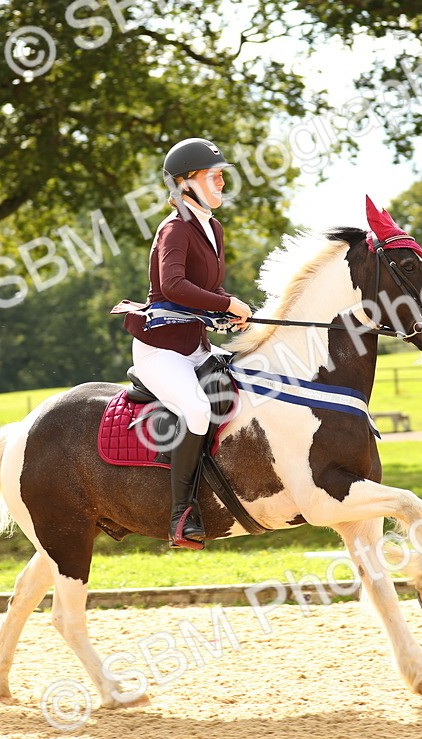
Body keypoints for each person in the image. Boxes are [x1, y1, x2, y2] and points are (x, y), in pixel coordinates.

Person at [123, 137, 253, 550]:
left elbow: (204, 289)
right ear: (184, 184)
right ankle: (181, 515)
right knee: (197, 408)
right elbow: (173, 285)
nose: (221, 183)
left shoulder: (212, 227)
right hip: (160, 351)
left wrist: (223, 313)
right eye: (213, 176)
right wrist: (227, 302)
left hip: (196, 346)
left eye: (221, 176)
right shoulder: (174, 228)